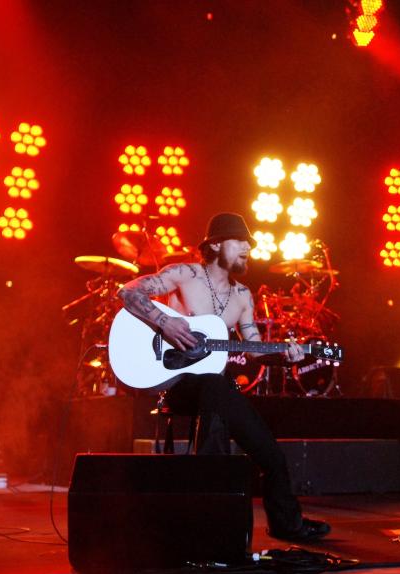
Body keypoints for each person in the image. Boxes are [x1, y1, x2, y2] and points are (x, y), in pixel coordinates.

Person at [118, 212, 331, 541]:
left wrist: (287, 357)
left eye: (249, 243)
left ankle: (287, 524)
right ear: (215, 245)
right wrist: (165, 322)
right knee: (217, 386)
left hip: (214, 389)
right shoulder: (184, 274)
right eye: (240, 241)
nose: (249, 246)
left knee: (269, 452)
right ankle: (209, 504)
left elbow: (256, 350)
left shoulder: (243, 296)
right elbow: (127, 292)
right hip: (176, 383)